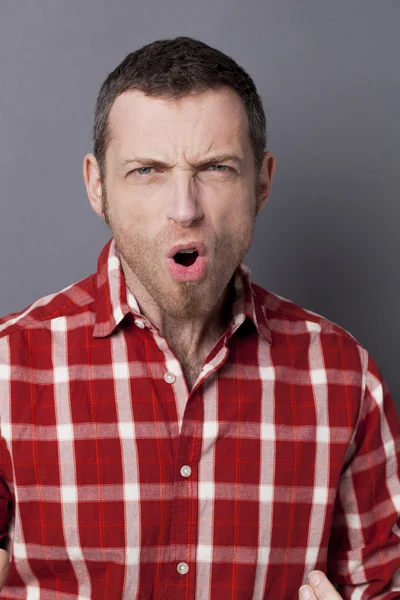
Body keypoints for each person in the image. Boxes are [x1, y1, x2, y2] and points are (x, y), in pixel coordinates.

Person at [0, 36, 398, 600]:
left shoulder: (344, 377)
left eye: (215, 168)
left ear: (262, 181)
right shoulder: (7, 368)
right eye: (147, 171)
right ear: (97, 185)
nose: (184, 208)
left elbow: (384, 583)